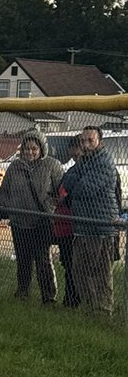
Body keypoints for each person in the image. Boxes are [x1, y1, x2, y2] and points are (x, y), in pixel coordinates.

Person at [0, 130, 62, 304]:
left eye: (34, 148)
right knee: (23, 260)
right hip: (19, 221)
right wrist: (9, 208)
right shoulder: (15, 166)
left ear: (41, 149)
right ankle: (23, 291)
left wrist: (50, 207)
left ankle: (49, 296)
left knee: (43, 260)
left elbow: (60, 192)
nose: (30, 152)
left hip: (42, 221)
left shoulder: (52, 166)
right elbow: (5, 191)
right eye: (26, 149)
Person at [61, 126, 120, 314]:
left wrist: (76, 181)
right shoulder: (84, 161)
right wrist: (76, 180)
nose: (85, 145)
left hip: (100, 227)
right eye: (83, 141)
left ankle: (102, 311)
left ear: (100, 142)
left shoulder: (104, 161)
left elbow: (84, 189)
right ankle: (89, 308)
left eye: (90, 141)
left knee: (100, 274)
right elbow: (66, 180)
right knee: (79, 271)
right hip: (81, 226)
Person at [53, 136, 83, 308]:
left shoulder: (88, 170)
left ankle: (75, 300)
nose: (75, 152)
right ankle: (70, 299)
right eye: (73, 148)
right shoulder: (70, 171)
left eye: (78, 148)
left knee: (78, 266)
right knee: (68, 264)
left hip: (76, 225)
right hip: (64, 225)